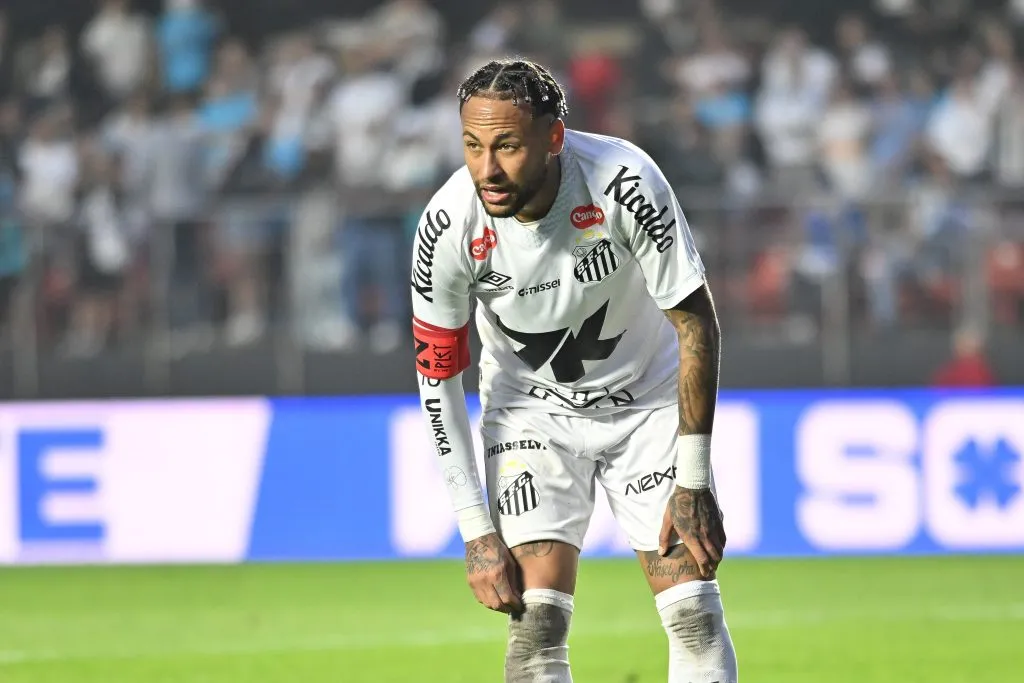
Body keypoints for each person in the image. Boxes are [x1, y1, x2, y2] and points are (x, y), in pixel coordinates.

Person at [410, 58, 737, 683]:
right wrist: (477, 532)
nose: (487, 169)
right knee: (535, 629)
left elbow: (696, 321)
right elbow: (437, 379)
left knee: (693, 614)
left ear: (553, 137)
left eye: (506, 145)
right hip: (531, 412)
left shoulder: (624, 181)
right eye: (473, 146)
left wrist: (693, 476)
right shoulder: (447, 226)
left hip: (647, 406)